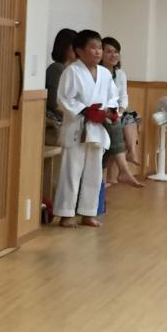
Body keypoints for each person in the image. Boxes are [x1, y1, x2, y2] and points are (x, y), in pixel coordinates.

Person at [54, 30, 119, 228]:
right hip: (77, 127)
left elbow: (112, 97)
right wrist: (85, 111)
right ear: (80, 51)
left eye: (99, 48)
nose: (98, 52)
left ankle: (88, 213)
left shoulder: (105, 74)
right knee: (71, 171)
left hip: (97, 128)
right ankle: (66, 214)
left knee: (94, 173)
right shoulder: (72, 71)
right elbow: (64, 99)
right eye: (93, 47)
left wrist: (110, 111)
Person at [100, 37, 143, 188]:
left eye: (116, 51)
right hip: (103, 112)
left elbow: (123, 98)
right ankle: (128, 160)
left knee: (130, 115)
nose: (113, 55)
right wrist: (114, 114)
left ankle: (131, 152)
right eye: (109, 51)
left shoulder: (120, 74)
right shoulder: (98, 73)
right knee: (121, 123)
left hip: (117, 111)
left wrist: (120, 111)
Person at [46, 28, 77, 120]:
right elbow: (54, 104)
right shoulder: (56, 69)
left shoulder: (73, 70)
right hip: (58, 120)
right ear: (66, 47)